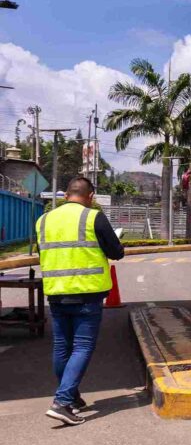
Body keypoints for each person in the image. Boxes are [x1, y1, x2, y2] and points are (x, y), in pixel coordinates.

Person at [36, 176, 124, 426]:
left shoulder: (43, 220)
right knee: (82, 346)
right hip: (87, 293)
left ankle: (71, 397)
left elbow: (45, 253)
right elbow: (116, 252)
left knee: (62, 346)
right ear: (91, 197)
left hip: (56, 292)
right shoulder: (93, 217)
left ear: (65, 195)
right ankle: (62, 401)